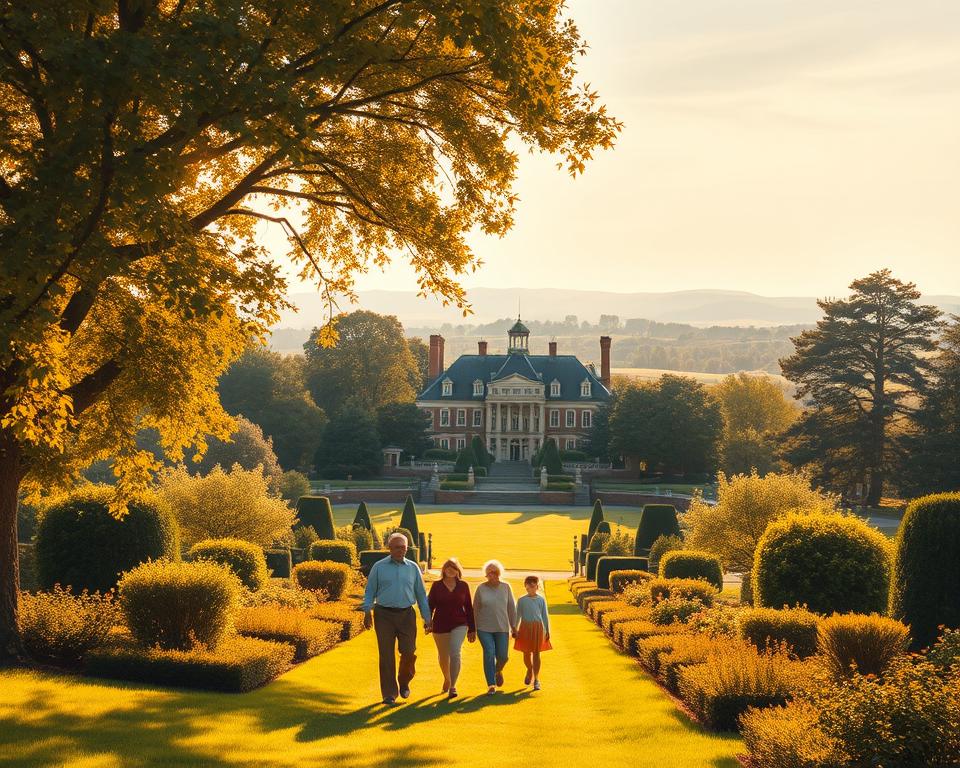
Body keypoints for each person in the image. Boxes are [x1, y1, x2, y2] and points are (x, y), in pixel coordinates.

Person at [361, 532, 431, 705]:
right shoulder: (379, 567)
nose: (401, 550)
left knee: (409, 652)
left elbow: (421, 594)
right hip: (383, 614)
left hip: (406, 614)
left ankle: (404, 681)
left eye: (404, 547)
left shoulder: (413, 567)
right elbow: (370, 590)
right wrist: (367, 611)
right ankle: (389, 694)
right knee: (386, 655)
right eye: (397, 547)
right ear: (390, 548)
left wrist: (427, 618)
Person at [427, 557, 476, 699]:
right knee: (443, 656)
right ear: (444, 570)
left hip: (459, 624)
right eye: (448, 567)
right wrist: (428, 622)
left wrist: (472, 629)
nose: (450, 570)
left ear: (457, 570)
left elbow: (469, 608)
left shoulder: (463, 586)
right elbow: (430, 606)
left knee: (455, 652)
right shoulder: (436, 586)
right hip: (440, 624)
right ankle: (447, 678)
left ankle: (453, 686)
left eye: (453, 568)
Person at [473, 559, 516, 695]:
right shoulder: (481, 588)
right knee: (489, 652)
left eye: (493, 572)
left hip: (502, 627)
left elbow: (511, 608)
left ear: (498, 573)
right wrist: (472, 628)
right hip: (484, 627)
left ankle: (498, 670)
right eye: (488, 573)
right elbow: (475, 609)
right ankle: (491, 684)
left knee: (503, 656)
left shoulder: (506, 587)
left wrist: (514, 626)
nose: (490, 575)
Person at [514, 575, 552, 691]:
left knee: (536, 653)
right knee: (526, 653)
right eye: (528, 584)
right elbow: (517, 615)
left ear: (537, 586)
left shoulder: (541, 600)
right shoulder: (521, 600)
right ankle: (529, 670)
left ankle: (536, 679)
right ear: (525, 586)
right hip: (525, 627)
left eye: (533, 584)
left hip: (537, 628)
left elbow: (544, 616)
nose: (531, 586)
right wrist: (515, 628)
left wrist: (547, 630)